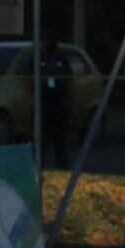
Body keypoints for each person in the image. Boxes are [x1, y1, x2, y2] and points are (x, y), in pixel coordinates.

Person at [32, 36, 71, 169]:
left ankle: (61, 166)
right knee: (41, 136)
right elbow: (25, 77)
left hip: (58, 101)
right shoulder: (37, 58)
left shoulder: (61, 58)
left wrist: (68, 97)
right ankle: (37, 165)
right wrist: (32, 95)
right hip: (43, 102)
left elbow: (69, 78)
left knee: (59, 137)